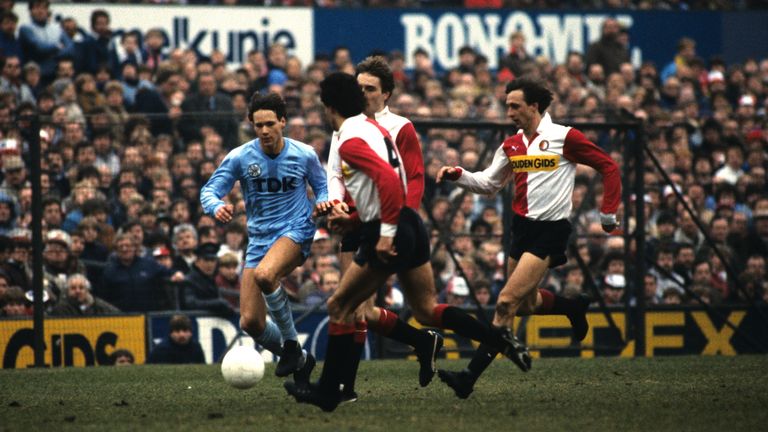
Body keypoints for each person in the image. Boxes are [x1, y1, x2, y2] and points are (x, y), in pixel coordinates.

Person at [284, 72, 525, 412]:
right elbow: (389, 180)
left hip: (388, 226)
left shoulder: (351, 138)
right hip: (407, 223)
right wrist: (357, 219)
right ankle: (496, 337)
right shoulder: (375, 129)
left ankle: (328, 392)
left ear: (328, 106)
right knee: (426, 310)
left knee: (340, 306)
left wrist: (383, 234)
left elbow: (387, 181)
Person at [435, 77, 621, 399]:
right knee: (524, 305)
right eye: (507, 105)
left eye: (514, 106)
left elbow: (608, 166)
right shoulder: (511, 145)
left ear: (534, 106)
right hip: (521, 229)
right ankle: (573, 308)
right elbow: (490, 183)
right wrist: (459, 176)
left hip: (550, 231)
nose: (508, 112)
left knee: (506, 301)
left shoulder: (565, 137)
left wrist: (607, 214)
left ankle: (468, 377)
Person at [323, 56, 440, 399]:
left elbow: (412, 176)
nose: (363, 93)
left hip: (383, 220)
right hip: (353, 219)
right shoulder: (345, 126)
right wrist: (335, 202)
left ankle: (343, 387)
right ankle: (421, 340)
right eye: (358, 87)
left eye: (370, 88)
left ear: (386, 93)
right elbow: (334, 171)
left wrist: (400, 219)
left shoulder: (398, 126)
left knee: (353, 307)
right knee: (359, 309)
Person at [200, 91, 328, 381]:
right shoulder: (240, 157)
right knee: (250, 322)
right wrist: (217, 205)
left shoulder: (304, 154)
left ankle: (293, 345)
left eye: (270, 123)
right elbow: (209, 191)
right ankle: (301, 359)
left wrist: (323, 202)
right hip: (258, 239)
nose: (265, 130)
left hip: (296, 229)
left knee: (266, 275)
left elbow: (323, 187)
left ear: (283, 122)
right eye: (259, 125)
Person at [181, 242, 237, 318]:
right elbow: (190, 303)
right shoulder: (189, 280)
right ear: (197, 262)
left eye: (212, 260)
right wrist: (217, 304)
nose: (210, 264)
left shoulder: (211, 279)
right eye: (206, 260)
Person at [49, 273, 120, 316]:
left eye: (81, 288)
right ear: (67, 291)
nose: (78, 291)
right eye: (73, 288)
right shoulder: (61, 309)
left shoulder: (99, 305)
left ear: (87, 290)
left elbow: (118, 314)